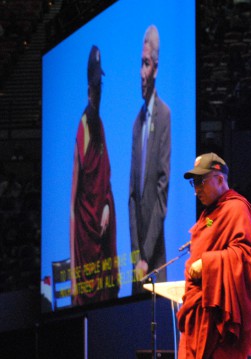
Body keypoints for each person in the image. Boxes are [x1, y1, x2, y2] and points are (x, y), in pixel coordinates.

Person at [176, 152, 251, 359]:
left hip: (217, 321)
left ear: (220, 179)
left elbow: (246, 257)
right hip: (199, 312)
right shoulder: (210, 214)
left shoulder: (236, 209)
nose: (196, 190)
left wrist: (207, 264)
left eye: (201, 182)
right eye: (194, 184)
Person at [70, 45, 119, 306]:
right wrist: (76, 279)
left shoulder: (100, 126)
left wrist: (108, 207)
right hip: (85, 239)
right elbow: (72, 203)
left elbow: (106, 181)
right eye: (95, 86)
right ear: (89, 90)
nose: (99, 92)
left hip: (100, 233)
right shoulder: (83, 129)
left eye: (101, 85)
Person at [129, 25, 171, 293]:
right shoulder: (136, 123)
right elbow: (132, 196)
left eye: (146, 65)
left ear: (155, 68)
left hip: (154, 258)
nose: (141, 73)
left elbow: (161, 189)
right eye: (140, 64)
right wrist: (136, 256)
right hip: (139, 263)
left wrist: (145, 255)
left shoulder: (164, 115)